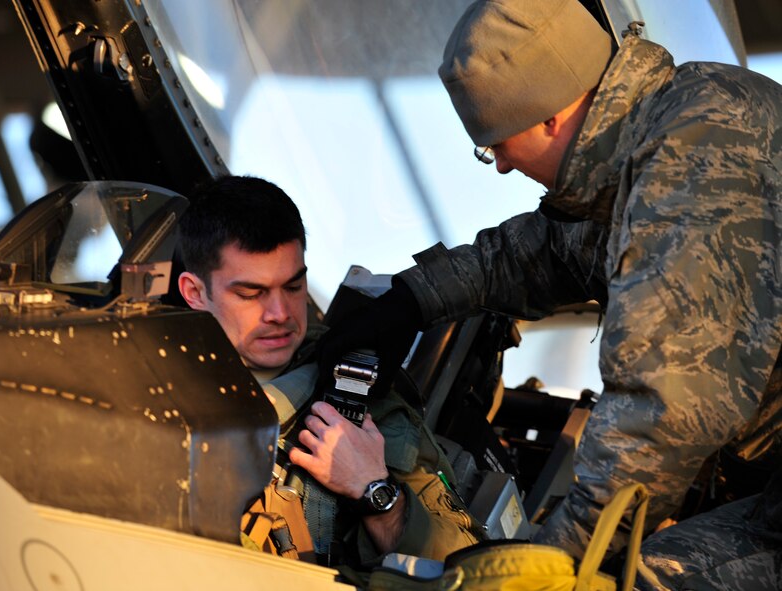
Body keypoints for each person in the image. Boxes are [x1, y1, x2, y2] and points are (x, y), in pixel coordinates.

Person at [315, 0, 782, 588]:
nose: (504, 167)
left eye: (496, 145)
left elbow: (663, 406)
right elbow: (544, 252)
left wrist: (553, 560)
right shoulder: (664, 128)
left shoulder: (698, 157)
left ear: (549, 119)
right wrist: (409, 300)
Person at [176, 175, 483, 568]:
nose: (280, 314)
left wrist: (374, 491)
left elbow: (472, 568)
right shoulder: (146, 384)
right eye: (251, 293)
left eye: (293, 286)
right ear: (194, 293)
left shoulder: (360, 404)